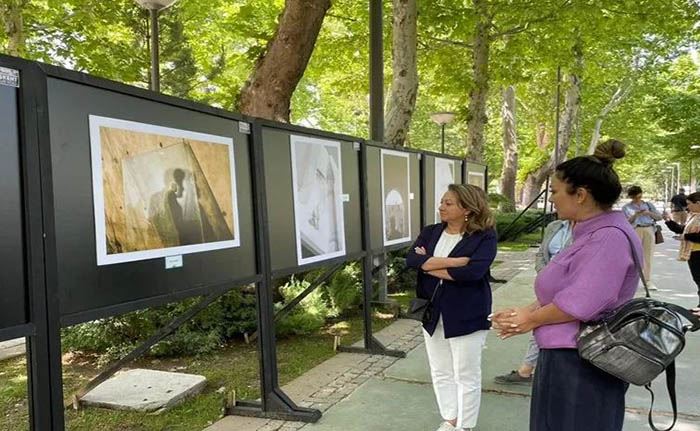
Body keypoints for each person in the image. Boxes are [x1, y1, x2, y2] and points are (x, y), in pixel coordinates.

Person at [491, 139, 642, 431]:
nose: (552, 199)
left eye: (556, 192)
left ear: (581, 195)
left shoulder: (607, 237)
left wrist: (529, 319)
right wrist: (524, 312)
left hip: (582, 363)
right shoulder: (592, 233)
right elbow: (567, 290)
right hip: (568, 357)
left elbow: (582, 302)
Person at [406, 184, 497, 431]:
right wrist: (455, 262)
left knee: (466, 373)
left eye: (448, 203)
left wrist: (429, 265)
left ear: (466, 208)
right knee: (440, 369)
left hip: (468, 312)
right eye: (442, 202)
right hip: (432, 311)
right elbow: (412, 260)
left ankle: (465, 426)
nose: (441, 207)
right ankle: (451, 418)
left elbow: (474, 272)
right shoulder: (431, 231)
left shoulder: (484, 236)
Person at [494, 219, 574, 385]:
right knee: (540, 322)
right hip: (549, 285)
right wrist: (547, 275)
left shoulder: (590, 231)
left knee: (542, 322)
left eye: (556, 192)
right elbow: (540, 254)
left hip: (569, 285)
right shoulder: (555, 226)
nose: (552, 198)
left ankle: (527, 370)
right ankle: (527, 370)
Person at [663, 191, 700, 307]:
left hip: (698, 253)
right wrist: (669, 221)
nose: (687, 206)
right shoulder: (694, 216)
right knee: (698, 280)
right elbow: (681, 229)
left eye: (689, 204)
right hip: (693, 253)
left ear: (698, 203)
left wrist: (685, 237)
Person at [622, 185, 662, 289]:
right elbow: (626, 222)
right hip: (635, 229)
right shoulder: (626, 207)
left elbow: (659, 217)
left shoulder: (648, 205)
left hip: (649, 228)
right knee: (633, 256)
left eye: (639, 197)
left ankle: (647, 281)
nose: (637, 199)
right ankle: (631, 281)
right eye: (634, 197)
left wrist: (648, 213)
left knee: (648, 256)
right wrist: (635, 215)